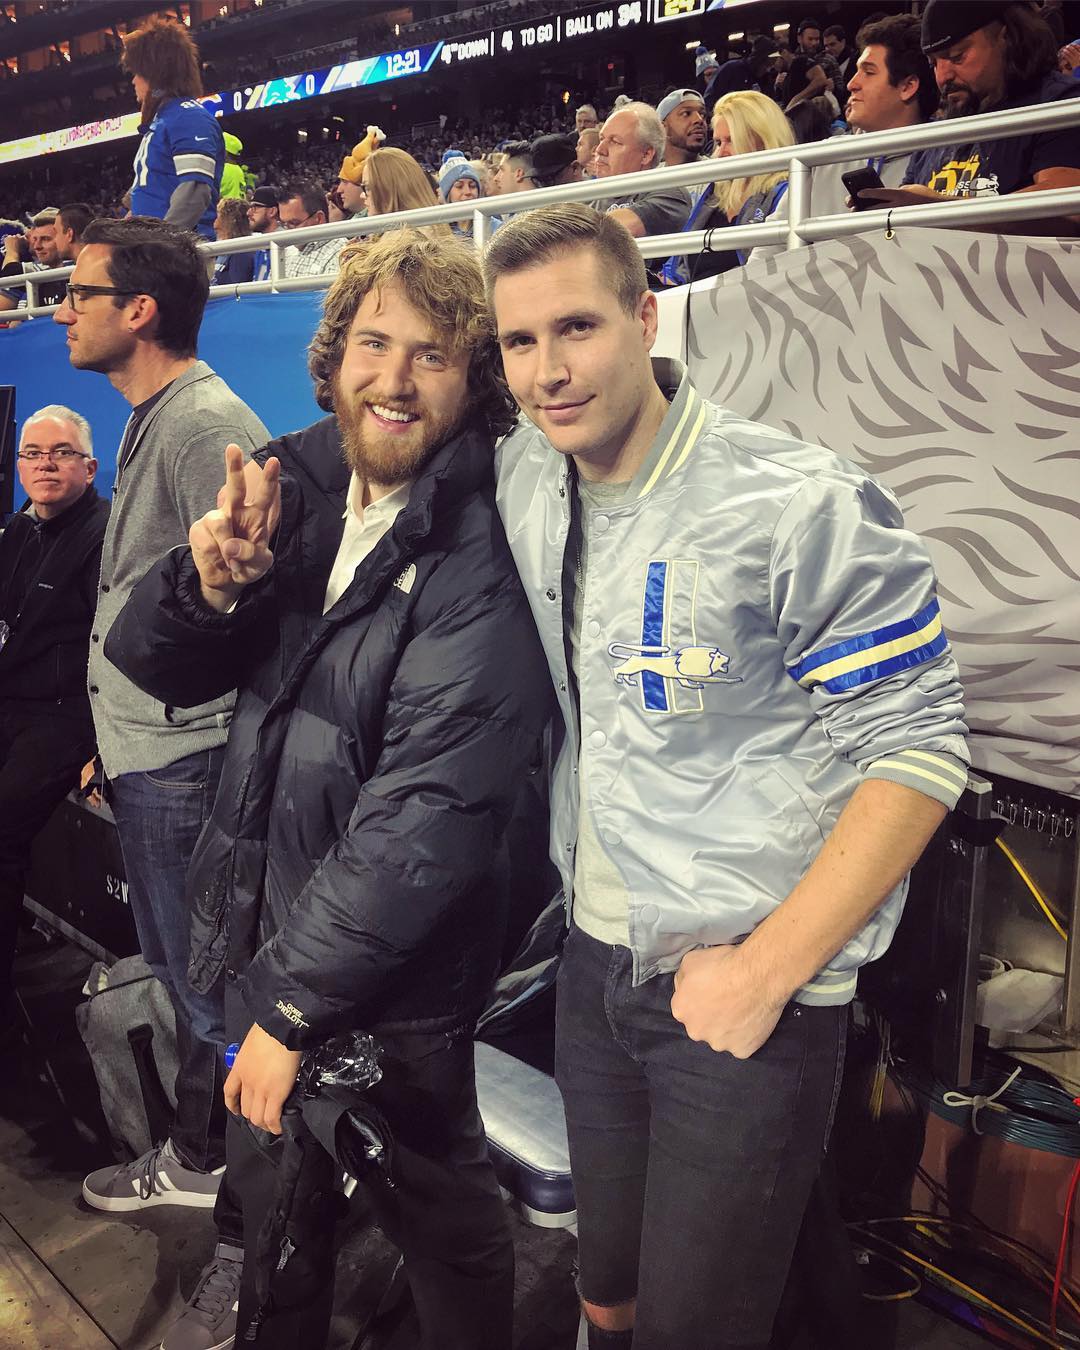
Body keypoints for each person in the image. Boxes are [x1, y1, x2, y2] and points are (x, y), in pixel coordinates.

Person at [485, 201, 969, 1350]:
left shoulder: (796, 500)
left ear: (646, 318)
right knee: (605, 1292)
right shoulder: (526, 477)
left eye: (577, 328)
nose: (548, 372)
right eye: (518, 342)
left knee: (700, 1330)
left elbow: (918, 746)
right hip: (595, 966)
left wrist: (766, 972)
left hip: (749, 990)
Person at [104, 226, 554, 1350]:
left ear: (477, 376)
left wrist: (294, 1007)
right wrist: (211, 590)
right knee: (278, 1198)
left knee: (438, 1203)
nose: (393, 379)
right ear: (332, 352)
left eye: (434, 354)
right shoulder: (298, 481)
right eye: (371, 342)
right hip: (272, 932)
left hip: (389, 978)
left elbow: (426, 822)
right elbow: (149, 659)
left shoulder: (482, 544)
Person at [54, 216, 268, 1350]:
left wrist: (167, 728)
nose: (61, 310)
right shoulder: (155, 414)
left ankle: (245, 1228)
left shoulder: (208, 423)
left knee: (211, 999)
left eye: (79, 293)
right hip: (148, 750)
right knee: (194, 992)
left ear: (139, 309)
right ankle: (196, 1161)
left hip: (187, 761)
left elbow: (246, 610)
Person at [0, 406, 108, 998]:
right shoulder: (17, 531)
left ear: (89, 468)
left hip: (67, 715)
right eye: (33, 453)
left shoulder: (106, 537)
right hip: (12, 701)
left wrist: (104, 749)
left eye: (60, 453)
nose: (45, 464)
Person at [888, 0, 1080, 217]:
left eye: (957, 56)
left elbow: (1067, 206)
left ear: (1008, 38)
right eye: (934, 63)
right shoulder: (937, 133)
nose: (943, 76)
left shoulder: (1060, 105)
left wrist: (938, 210)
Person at [659, 90, 795, 286]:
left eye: (731, 140)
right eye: (717, 142)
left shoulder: (786, 193)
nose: (721, 152)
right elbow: (679, 265)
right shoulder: (716, 193)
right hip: (693, 303)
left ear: (762, 140)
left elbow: (762, 277)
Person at [121, 16, 224, 238]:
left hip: (180, 253)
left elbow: (194, 190)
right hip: (150, 247)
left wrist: (164, 243)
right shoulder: (162, 120)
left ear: (154, 74)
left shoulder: (189, 116)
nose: (133, 82)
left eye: (137, 74)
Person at [594, 102, 692, 239]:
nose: (600, 150)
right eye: (601, 139)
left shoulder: (671, 195)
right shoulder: (589, 199)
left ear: (646, 155)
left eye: (615, 141)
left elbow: (610, 232)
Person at [279, 180, 344, 277]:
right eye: (284, 224)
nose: (287, 230)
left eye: (293, 223)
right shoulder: (284, 254)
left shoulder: (340, 254)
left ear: (318, 218)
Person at [656, 88, 708, 166]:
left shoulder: (722, 172)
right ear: (663, 128)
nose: (699, 119)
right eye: (686, 113)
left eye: (702, 114)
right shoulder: (650, 176)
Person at [439, 151, 484, 237]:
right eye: (459, 186)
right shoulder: (438, 233)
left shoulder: (493, 227)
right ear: (447, 193)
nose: (468, 192)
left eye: (472, 186)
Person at [212, 196, 255, 286]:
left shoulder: (242, 254)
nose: (215, 224)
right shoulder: (223, 251)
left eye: (219, 217)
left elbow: (236, 293)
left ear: (231, 222)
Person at [248, 184, 281, 282]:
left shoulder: (285, 246)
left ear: (272, 211)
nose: (249, 213)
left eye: (255, 207)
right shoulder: (261, 244)